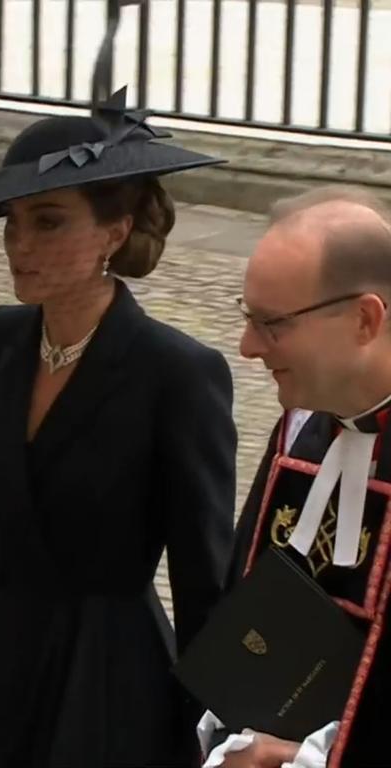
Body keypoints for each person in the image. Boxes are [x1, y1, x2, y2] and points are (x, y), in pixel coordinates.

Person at [0, 89, 239, 768]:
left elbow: (204, 578)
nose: (20, 245)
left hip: (108, 680)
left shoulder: (177, 372)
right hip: (1, 672)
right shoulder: (1, 339)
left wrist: (213, 736)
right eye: (12, 222)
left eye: (50, 222)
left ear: (113, 234)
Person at [201, 186, 391, 768]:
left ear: (364, 319)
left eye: (272, 324)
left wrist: (307, 758)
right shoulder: (301, 431)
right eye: (247, 318)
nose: (247, 347)